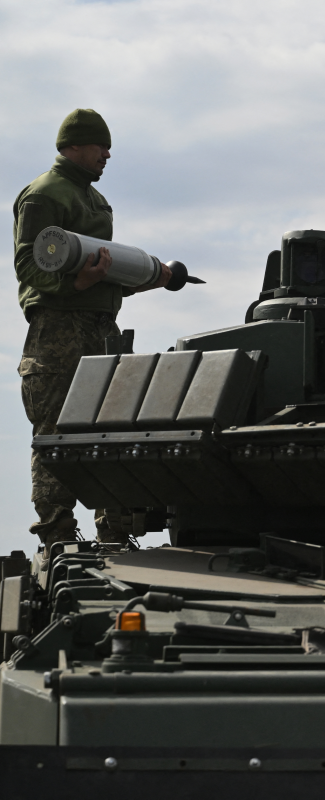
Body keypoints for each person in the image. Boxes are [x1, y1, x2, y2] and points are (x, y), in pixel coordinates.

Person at [12, 109, 175, 546]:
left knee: (111, 425)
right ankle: (57, 529)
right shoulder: (45, 194)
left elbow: (102, 275)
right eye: (100, 146)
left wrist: (147, 279)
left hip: (102, 327)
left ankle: (115, 529)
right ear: (75, 146)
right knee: (55, 427)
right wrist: (75, 281)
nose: (107, 154)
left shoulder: (93, 200)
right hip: (59, 327)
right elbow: (29, 265)